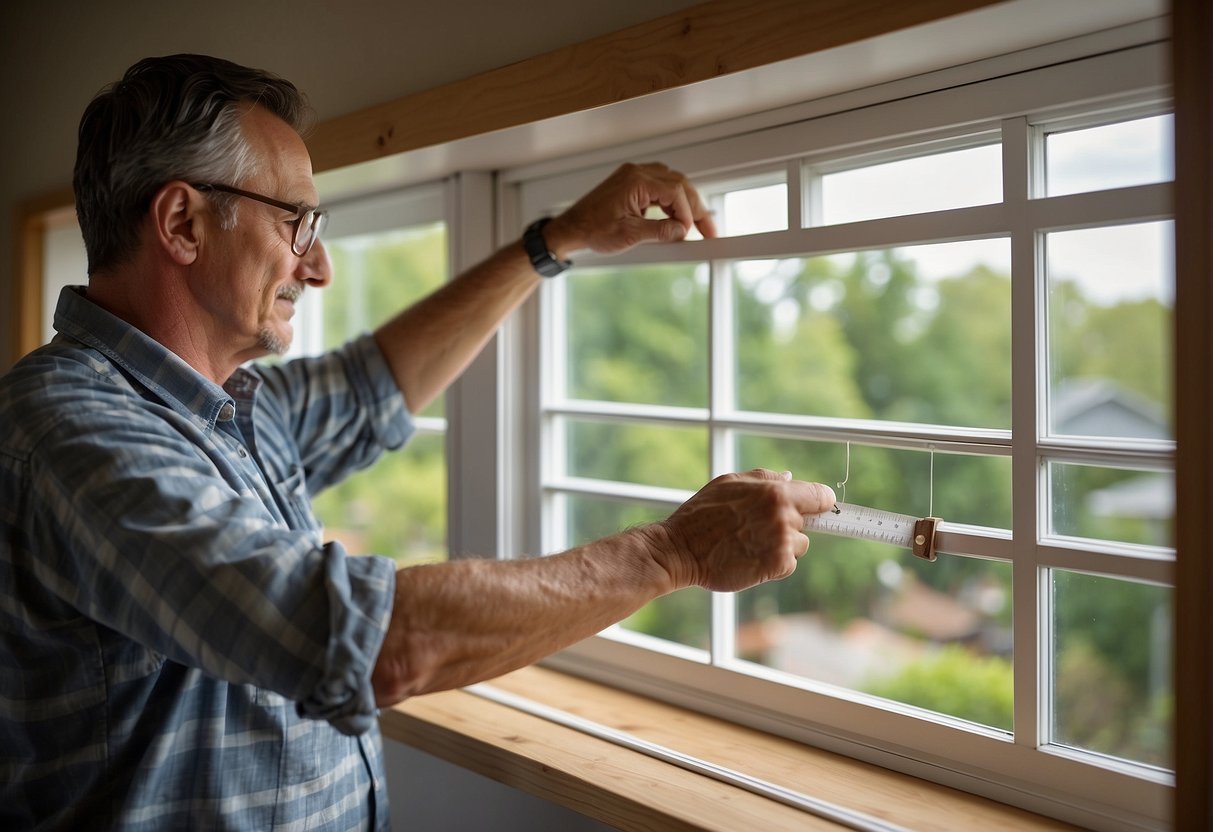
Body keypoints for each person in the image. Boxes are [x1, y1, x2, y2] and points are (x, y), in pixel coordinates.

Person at [0, 54, 835, 831]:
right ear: (182, 223)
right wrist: (670, 554)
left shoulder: (227, 407)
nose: (317, 265)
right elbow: (365, 645)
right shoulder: (73, 435)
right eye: (297, 221)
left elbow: (375, 384)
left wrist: (556, 240)